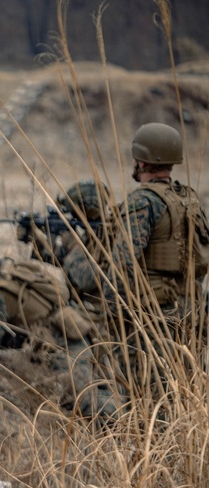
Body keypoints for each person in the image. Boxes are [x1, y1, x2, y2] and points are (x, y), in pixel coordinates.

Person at [63, 123, 209, 399]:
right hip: (190, 312)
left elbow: (122, 265)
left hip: (153, 318)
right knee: (186, 390)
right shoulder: (188, 199)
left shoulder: (142, 202)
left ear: (141, 161)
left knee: (147, 396)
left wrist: (113, 317)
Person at [0, 237, 116, 415]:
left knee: (81, 399)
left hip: (64, 343)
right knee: (92, 390)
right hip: (62, 334)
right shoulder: (2, 269)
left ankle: (122, 420)